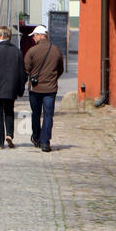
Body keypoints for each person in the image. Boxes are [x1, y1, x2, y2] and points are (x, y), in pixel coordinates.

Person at [23, 24, 65, 152]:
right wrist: (52, 78)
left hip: (35, 89)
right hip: (50, 89)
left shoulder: (32, 51)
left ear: (39, 36)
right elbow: (60, 69)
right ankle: (45, 142)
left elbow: (26, 68)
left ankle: (36, 137)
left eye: (34, 36)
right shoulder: (56, 50)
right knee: (48, 116)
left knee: (36, 114)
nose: (33, 39)